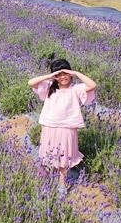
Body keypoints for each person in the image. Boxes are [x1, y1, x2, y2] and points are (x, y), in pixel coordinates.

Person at [28, 59, 97, 195]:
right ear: (55, 76)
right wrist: (50, 76)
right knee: (49, 155)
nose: (63, 77)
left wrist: (75, 73)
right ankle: (45, 178)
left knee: (64, 158)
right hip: (50, 127)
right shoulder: (49, 87)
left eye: (65, 73)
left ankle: (62, 184)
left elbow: (92, 85)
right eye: (59, 74)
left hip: (68, 128)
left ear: (70, 74)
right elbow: (31, 82)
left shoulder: (76, 89)